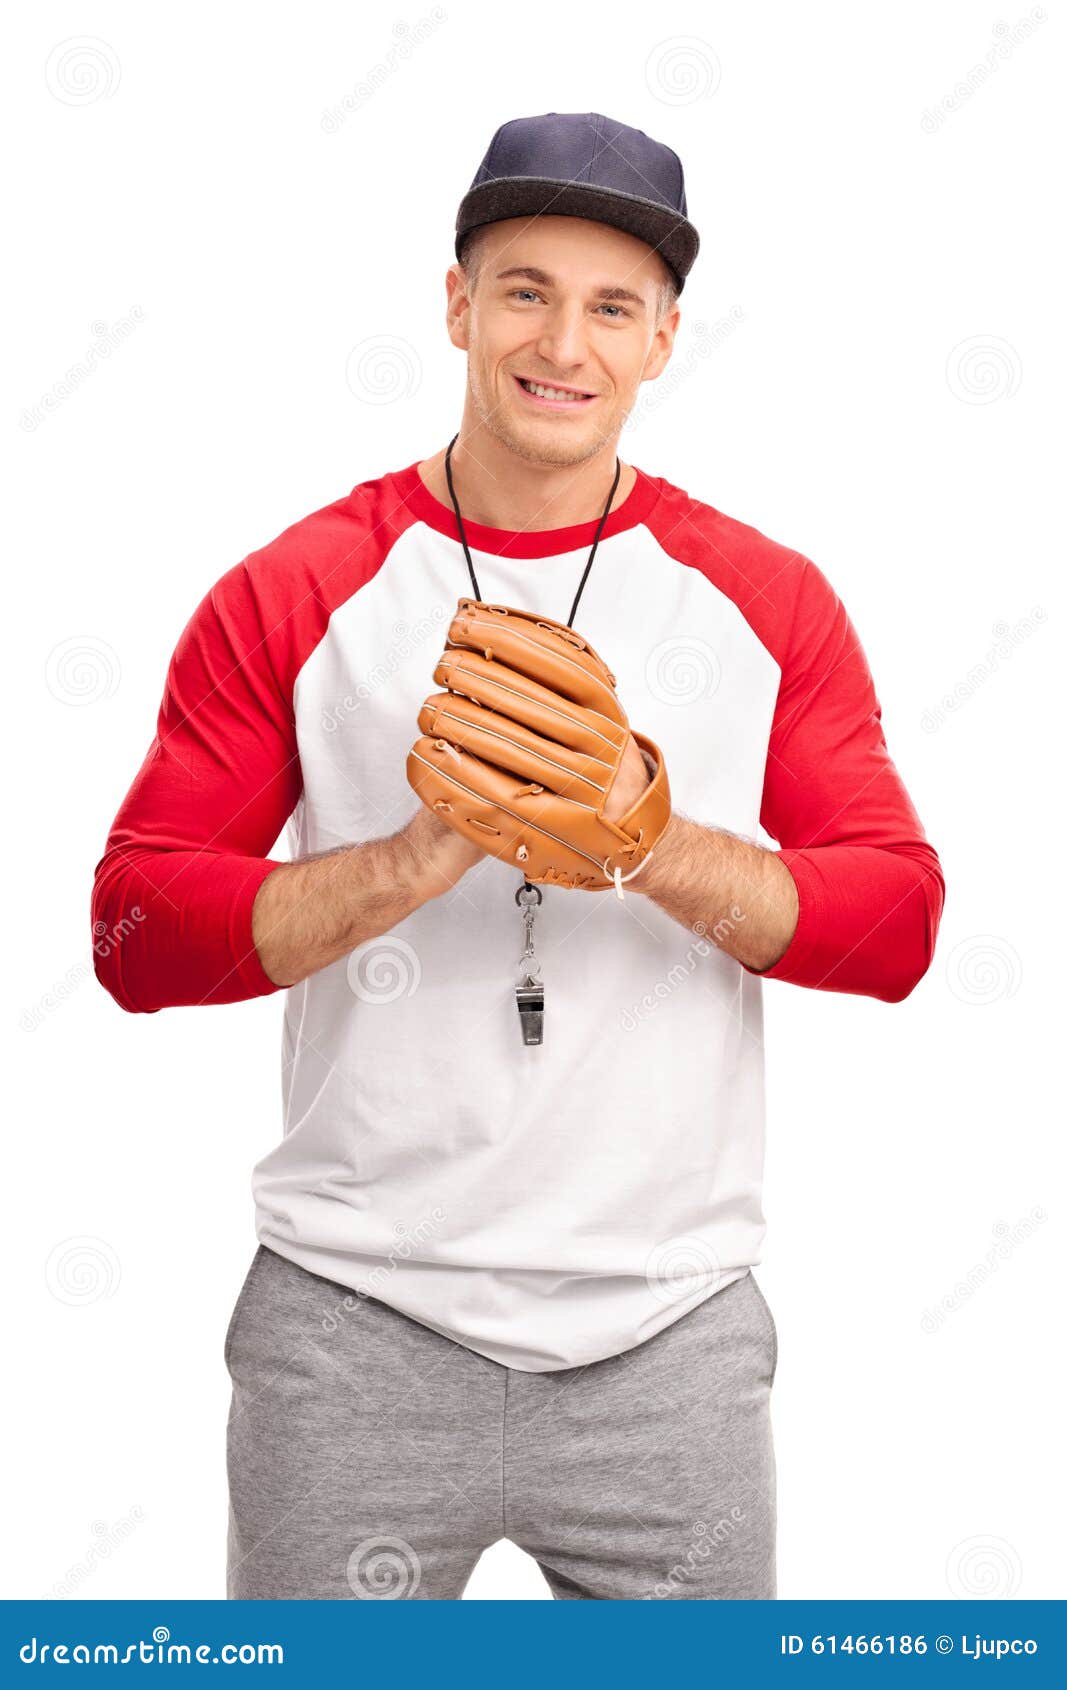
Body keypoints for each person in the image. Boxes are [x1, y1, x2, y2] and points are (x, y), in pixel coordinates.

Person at [91, 111, 945, 1600]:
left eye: (613, 306)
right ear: (457, 305)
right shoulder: (300, 587)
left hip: (668, 1338)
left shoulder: (764, 598)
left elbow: (900, 925)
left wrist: (648, 841)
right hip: (350, 1322)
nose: (563, 343)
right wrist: (412, 860)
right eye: (525, 291)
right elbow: (134, 932)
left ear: (664, 338)